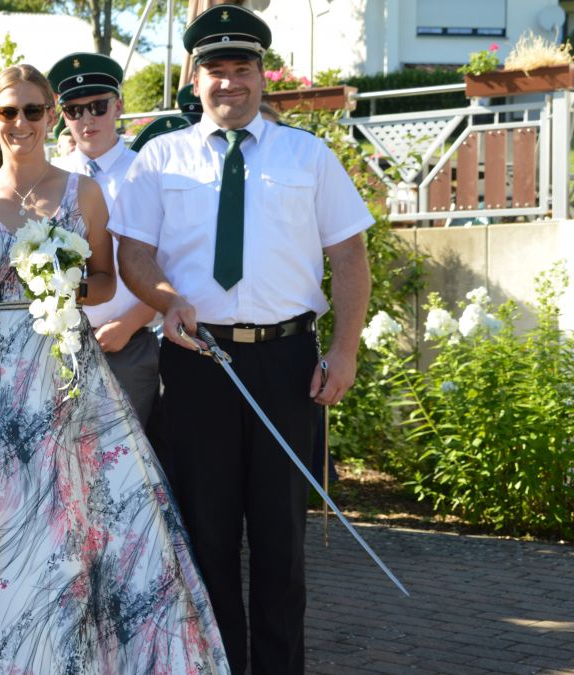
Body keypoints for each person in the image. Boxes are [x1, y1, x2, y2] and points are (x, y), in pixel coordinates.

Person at [0, 64, 230, 673]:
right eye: (8, 112)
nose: (21, 122)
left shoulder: (84, 193)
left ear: (51, 116)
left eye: (33, 110)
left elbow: (106, 280)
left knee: (84, 519)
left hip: (71, 374)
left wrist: (63, 282)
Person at [112, 6, 373, 674]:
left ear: (262, 74)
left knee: (282, 541)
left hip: (288, 364)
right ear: (195, 80)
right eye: (216, 71)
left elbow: (349, 255)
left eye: (242, 68)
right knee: (208, 536)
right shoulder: (160, 158)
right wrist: (166, 299)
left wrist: (344, 350)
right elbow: (132, 253)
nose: (229, 82)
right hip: (198, 361)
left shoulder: (307, 156)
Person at [48, 52, 161, 426]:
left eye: (98, 106)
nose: (87, 119)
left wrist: (130, 323)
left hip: (128, 342)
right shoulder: (52, 177)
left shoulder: (148, 173)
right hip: (60, 344)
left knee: (130, 456)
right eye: (74, 110)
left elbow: (171, 262)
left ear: (119, 106)